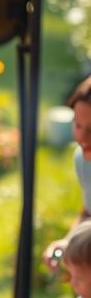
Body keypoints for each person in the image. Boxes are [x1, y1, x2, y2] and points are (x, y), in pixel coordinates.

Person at [43, 75, 91, 268]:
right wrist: (69, 241)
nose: (82, 138)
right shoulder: (83, 160)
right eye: (78, 125)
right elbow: (89, 212)